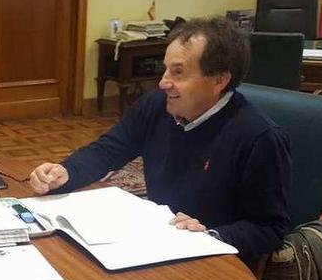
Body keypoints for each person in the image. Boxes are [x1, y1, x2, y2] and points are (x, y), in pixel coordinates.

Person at [29, 17, 291, 258]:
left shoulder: (259, 138)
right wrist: (66, 172)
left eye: (178, 73)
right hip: (153, 243)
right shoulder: (156, 106)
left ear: (219, 80)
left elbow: (269, 228)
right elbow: (108, 150)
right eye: (165, 70)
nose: (163, 83)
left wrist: (211, 235)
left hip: (211, 263)